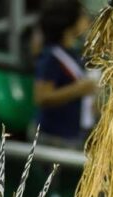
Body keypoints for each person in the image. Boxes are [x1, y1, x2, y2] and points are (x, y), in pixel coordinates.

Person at [34, 0, 98, 148]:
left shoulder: (72, 53)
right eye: (82, 16)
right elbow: (42, 97)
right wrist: (79, 90)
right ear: (69, 23)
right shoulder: (51, 57)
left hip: (73, 133)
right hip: (54, 137)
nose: (86, 20)